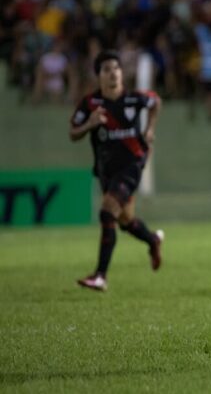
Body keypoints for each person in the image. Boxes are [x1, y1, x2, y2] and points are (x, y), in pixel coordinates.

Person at [69, 51, 164, 292]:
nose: (113, 73)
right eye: (106, 69)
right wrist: (90, 124)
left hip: (132, 165)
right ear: (99, 75)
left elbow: (156, 102)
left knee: (107, 212)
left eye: (116, 68)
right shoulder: (90, 104)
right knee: (124, 220)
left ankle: (100, 275)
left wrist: (150, 129)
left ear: (122, 73)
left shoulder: (135, 99)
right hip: (105, 170)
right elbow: (73, 133)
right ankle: (152, 240)